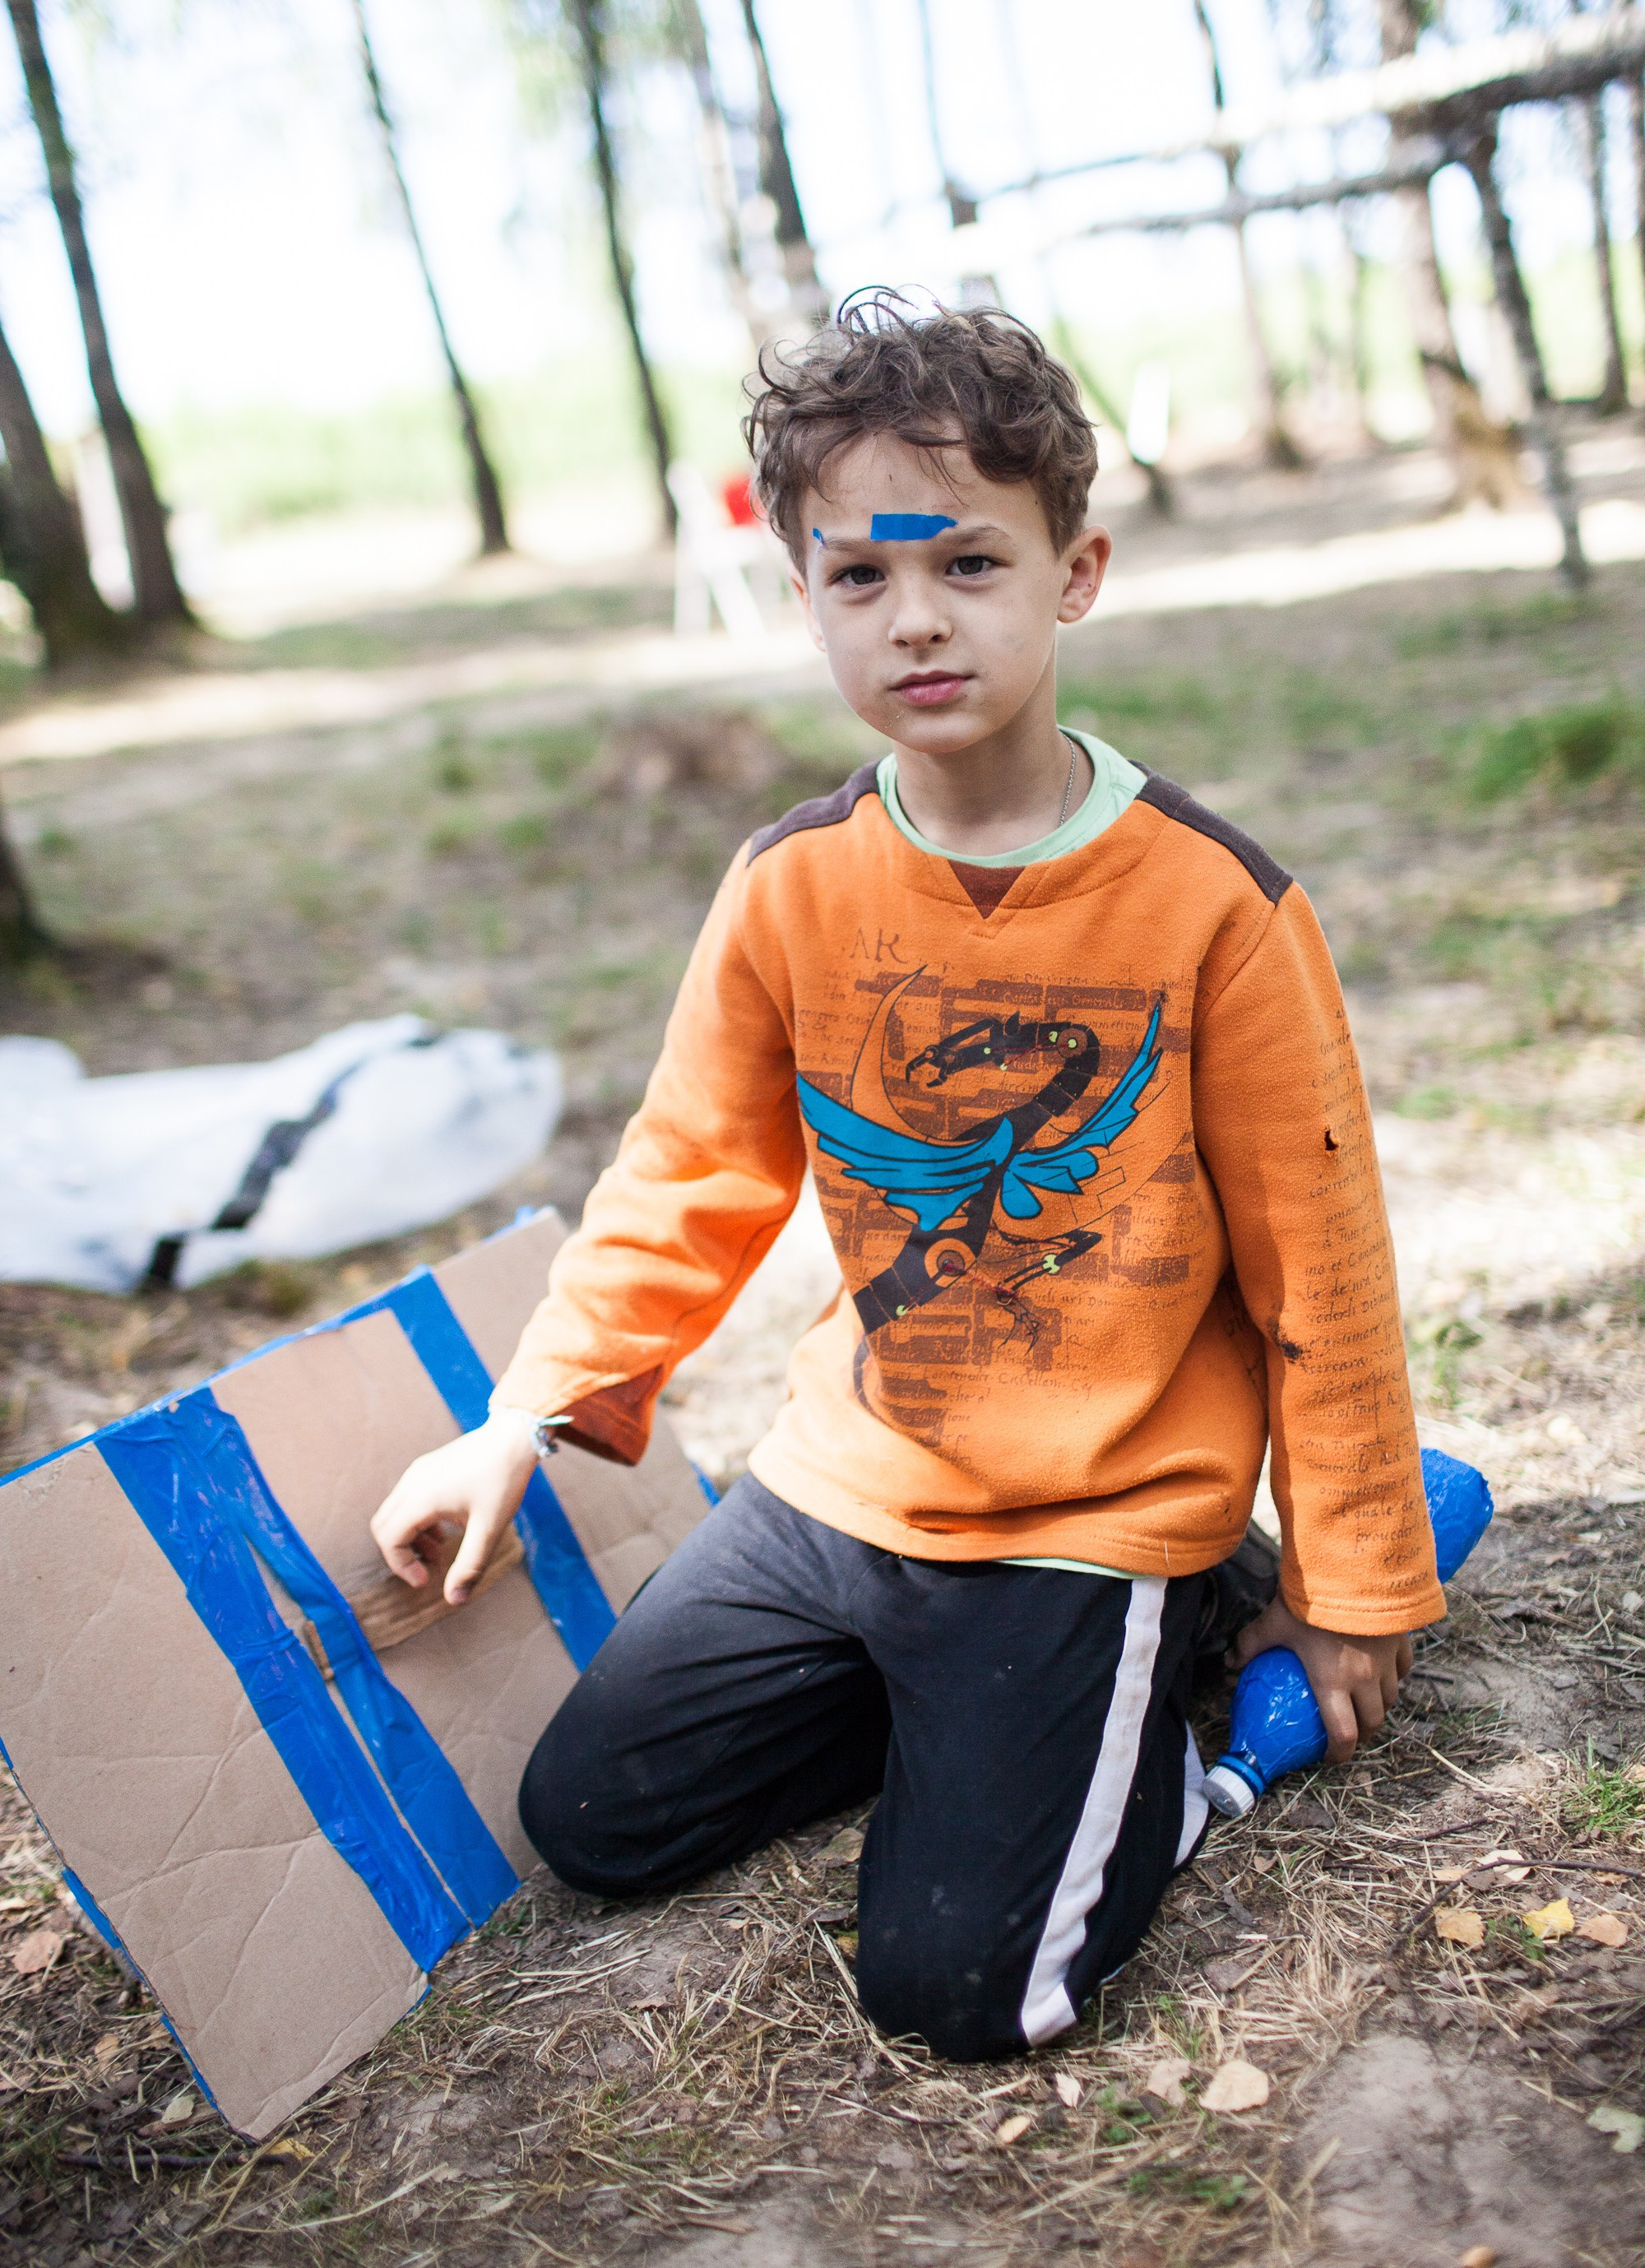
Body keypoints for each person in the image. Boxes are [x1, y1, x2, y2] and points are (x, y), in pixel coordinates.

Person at [370, 295, 1443, 2062]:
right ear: (802, 593)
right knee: (594, 1827)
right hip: (848, 1489)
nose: (916, 619)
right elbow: (687, 1173)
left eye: (966, 562)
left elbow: (1316, 1266)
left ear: (1072, 570)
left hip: (1093, 1513)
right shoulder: (791, 887)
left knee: (964, 1990)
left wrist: (1353, 1579)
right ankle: (985, 1719)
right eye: (857, 577)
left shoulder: (1212, 907)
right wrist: (521, 1418)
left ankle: (1184, 1677)